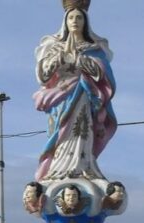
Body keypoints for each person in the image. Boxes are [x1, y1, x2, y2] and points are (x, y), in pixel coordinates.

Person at [33, 1, 117, 182]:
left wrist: (80, 61)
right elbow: (44, 76)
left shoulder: (93, 48)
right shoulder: (55, 47)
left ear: (85, 22)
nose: (75, 21)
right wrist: (58, 58)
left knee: (82, 128)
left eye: (79, 17)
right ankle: (57, 168)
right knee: (59, 131)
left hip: (83, 95)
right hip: (60, 99)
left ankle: (82, 165)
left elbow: (103, 73)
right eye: (71, 17)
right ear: (65, 21)